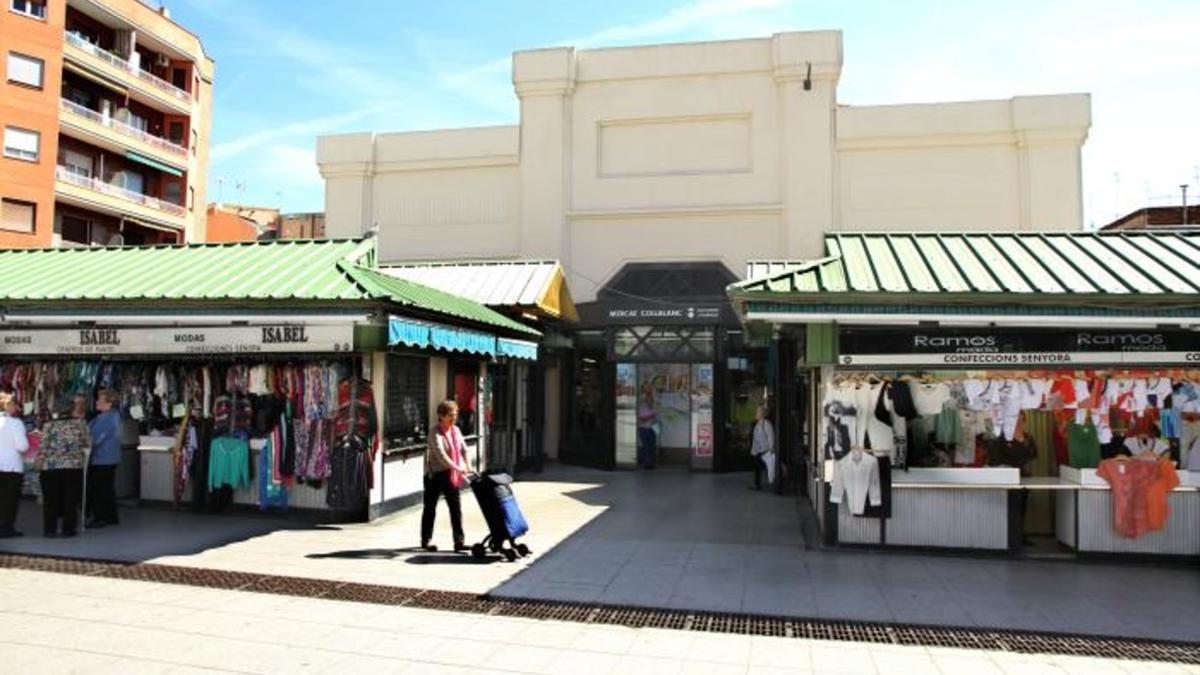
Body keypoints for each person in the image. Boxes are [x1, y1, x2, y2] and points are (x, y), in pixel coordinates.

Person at [37, 400, 91, 538]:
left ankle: (50, 530)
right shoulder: (80, 424)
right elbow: (88, 443)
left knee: (50, 499)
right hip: (73, 466)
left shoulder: (49, 425)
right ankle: (68, 529)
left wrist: (39, 463)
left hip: (50, 466)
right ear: (72, 409)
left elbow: (43, 447)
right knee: (70, 499)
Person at [421, 400, 469, 552]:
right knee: (430, 507)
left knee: (455, 508)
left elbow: (464, 449)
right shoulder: (434, 432)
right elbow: (441, 454)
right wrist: (457, 467)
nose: (454, 418)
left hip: (451, 474)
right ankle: (426, 540)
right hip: (435, 474)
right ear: (441, 416)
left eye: (455, 415)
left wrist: (467, 465)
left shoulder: (456, 430)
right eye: (450, 415)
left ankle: (459, 541)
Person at [86, 390, 122, 528]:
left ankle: (100, 518)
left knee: (99, 489)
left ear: (109, 403)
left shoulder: (107, 418)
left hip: (102, 458)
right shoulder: (111, 416)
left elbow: (95, 438)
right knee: (107, 488)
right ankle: (111, 516)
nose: (96, 402)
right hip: (109, 458)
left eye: (100, 400)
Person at [0, 393, 31, 538]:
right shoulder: (15, 423)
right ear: (8, 406)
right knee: (9, 499)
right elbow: (22, 446)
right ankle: (6, 528)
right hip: (11, 466)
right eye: (14, 404)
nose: (17, 407)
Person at [750, 405, 775, 490]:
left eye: (758, 412)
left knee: (769, 467)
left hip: (766, 451)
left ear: (762, 414)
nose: (756, 413)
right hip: (758, 451)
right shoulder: (757, 424)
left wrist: (771, 449)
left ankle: (771, 482)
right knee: (757, 467)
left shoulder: (766, 424)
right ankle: (757, 484)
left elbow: (771, 437)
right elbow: (755, 439)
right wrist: (753, 451)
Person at [636, 385, 658, 469]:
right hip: (644, 427)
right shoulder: (641, 401)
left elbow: (656, 412)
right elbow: (641, 417)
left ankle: (651, 462)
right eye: (648, 390)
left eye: (651, 389)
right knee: (646, 446)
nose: (650, 391)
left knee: (652, 445)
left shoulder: (654, 400)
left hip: (652, 426)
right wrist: (651, 415)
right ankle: (647, 463)